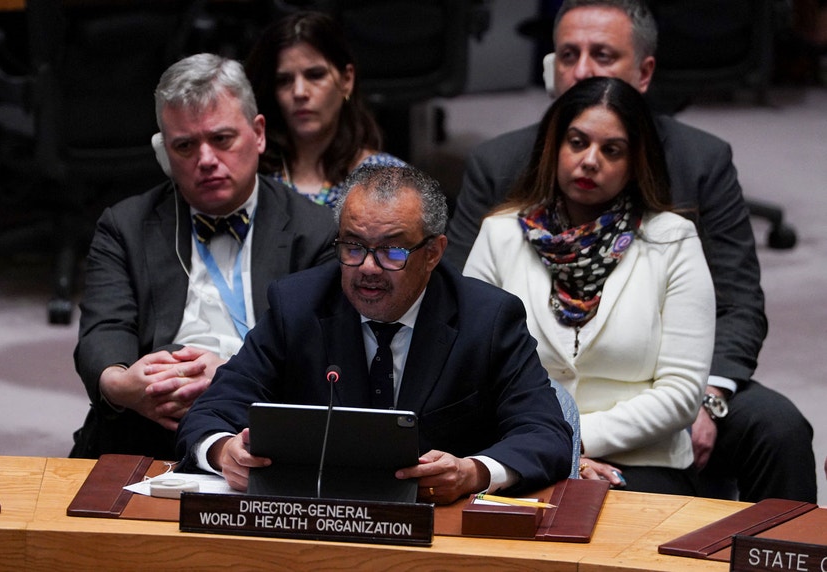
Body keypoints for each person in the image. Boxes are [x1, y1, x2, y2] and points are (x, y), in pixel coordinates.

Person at [447, 0, 817, 503]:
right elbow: (461, 317)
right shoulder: (499, 173)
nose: (582, 71)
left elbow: (737, 302)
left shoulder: (698, 168)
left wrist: (708, 398)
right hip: (527, 421)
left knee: (778, 427)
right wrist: (549, 443)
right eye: (568, 55)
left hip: (664, 399)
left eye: (601, 55)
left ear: (644, 72)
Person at [176, 165, 574, 504]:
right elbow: (212, 410)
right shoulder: (296, 306)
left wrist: (473, 472)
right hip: (319, 521)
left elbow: (546, 433)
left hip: (439, 530)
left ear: (433, 253)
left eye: (391, 251)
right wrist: (222, 451)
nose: (367, 267)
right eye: (353, 246)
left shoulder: (487, 319)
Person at [71, 53, 338, 460]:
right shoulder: (125, 225)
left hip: (260, 425)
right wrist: (120, 384)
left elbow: (319, 357)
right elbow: (103, 329)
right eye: (185, 146)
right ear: (164, 152)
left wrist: (234, 374)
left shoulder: (316, 231)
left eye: (222, 139)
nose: (206, 160)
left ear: (258, 133)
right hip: (147, 421)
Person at [465, 76, 714, 495]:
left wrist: (573, 441)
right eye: (577, 143)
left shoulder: (673, 240)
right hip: (521, 453)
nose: (590, 161)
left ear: (635, 161)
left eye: (611, 150)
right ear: (554, 146)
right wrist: (548, 449)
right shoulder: (499, 234)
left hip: (641, 461)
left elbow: (682, 393)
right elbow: (472, 370)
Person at [245, 11, 405, 208]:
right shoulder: (247, 177)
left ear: (347, 80)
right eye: (284, 81)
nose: (299, 92)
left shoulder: (388, 180)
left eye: (315, 75)